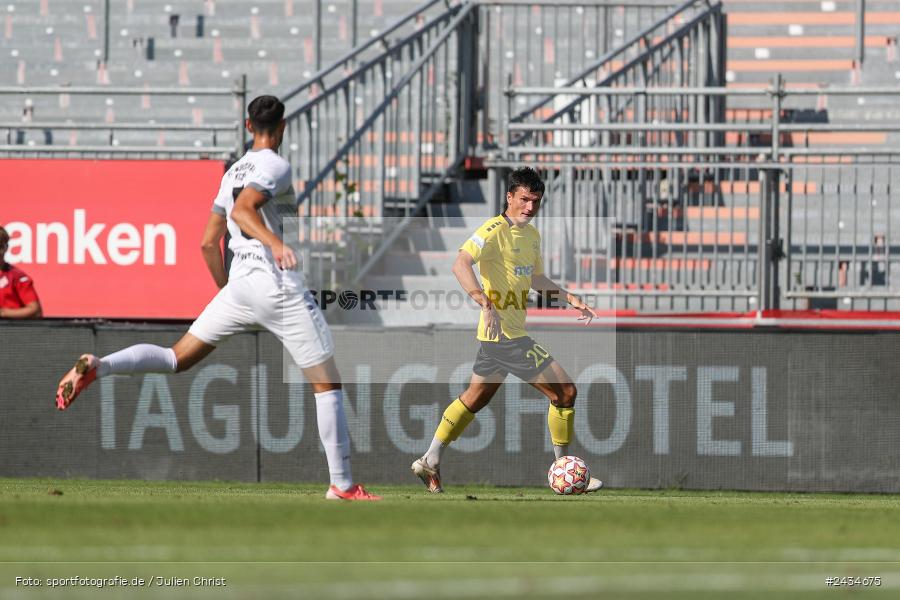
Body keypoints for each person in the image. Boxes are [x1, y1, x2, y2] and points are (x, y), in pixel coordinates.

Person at [55, 95, 380, 501]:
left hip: (240, 285)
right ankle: (343, 485)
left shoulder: (230, 174)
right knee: (327, 383)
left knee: (176, 357)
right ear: (282, 128)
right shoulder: (276, 165)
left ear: (248, 127)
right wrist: (276, 244)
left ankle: (101, 366)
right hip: (276, 285)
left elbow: (209, 243)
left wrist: (228, 292)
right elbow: (245, 212)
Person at [411, 166, 602, 493]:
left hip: (499, 337)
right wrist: (483, 301)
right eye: (524, 199)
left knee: (473, 400)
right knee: (566, 392)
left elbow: (537, 280)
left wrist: (570, 298)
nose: (530, 207)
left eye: (536, 201)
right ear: (509, 197)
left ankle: (430, 459)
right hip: (507, 338)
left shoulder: (531, 235)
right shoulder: (493, 229)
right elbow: (460, 263)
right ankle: (563, 469)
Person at [0, 225, 43, 319]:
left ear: (6, 248)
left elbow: (35, 311)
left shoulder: (17, 276)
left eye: (0, 247)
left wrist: (3, 313)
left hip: (10, 330)